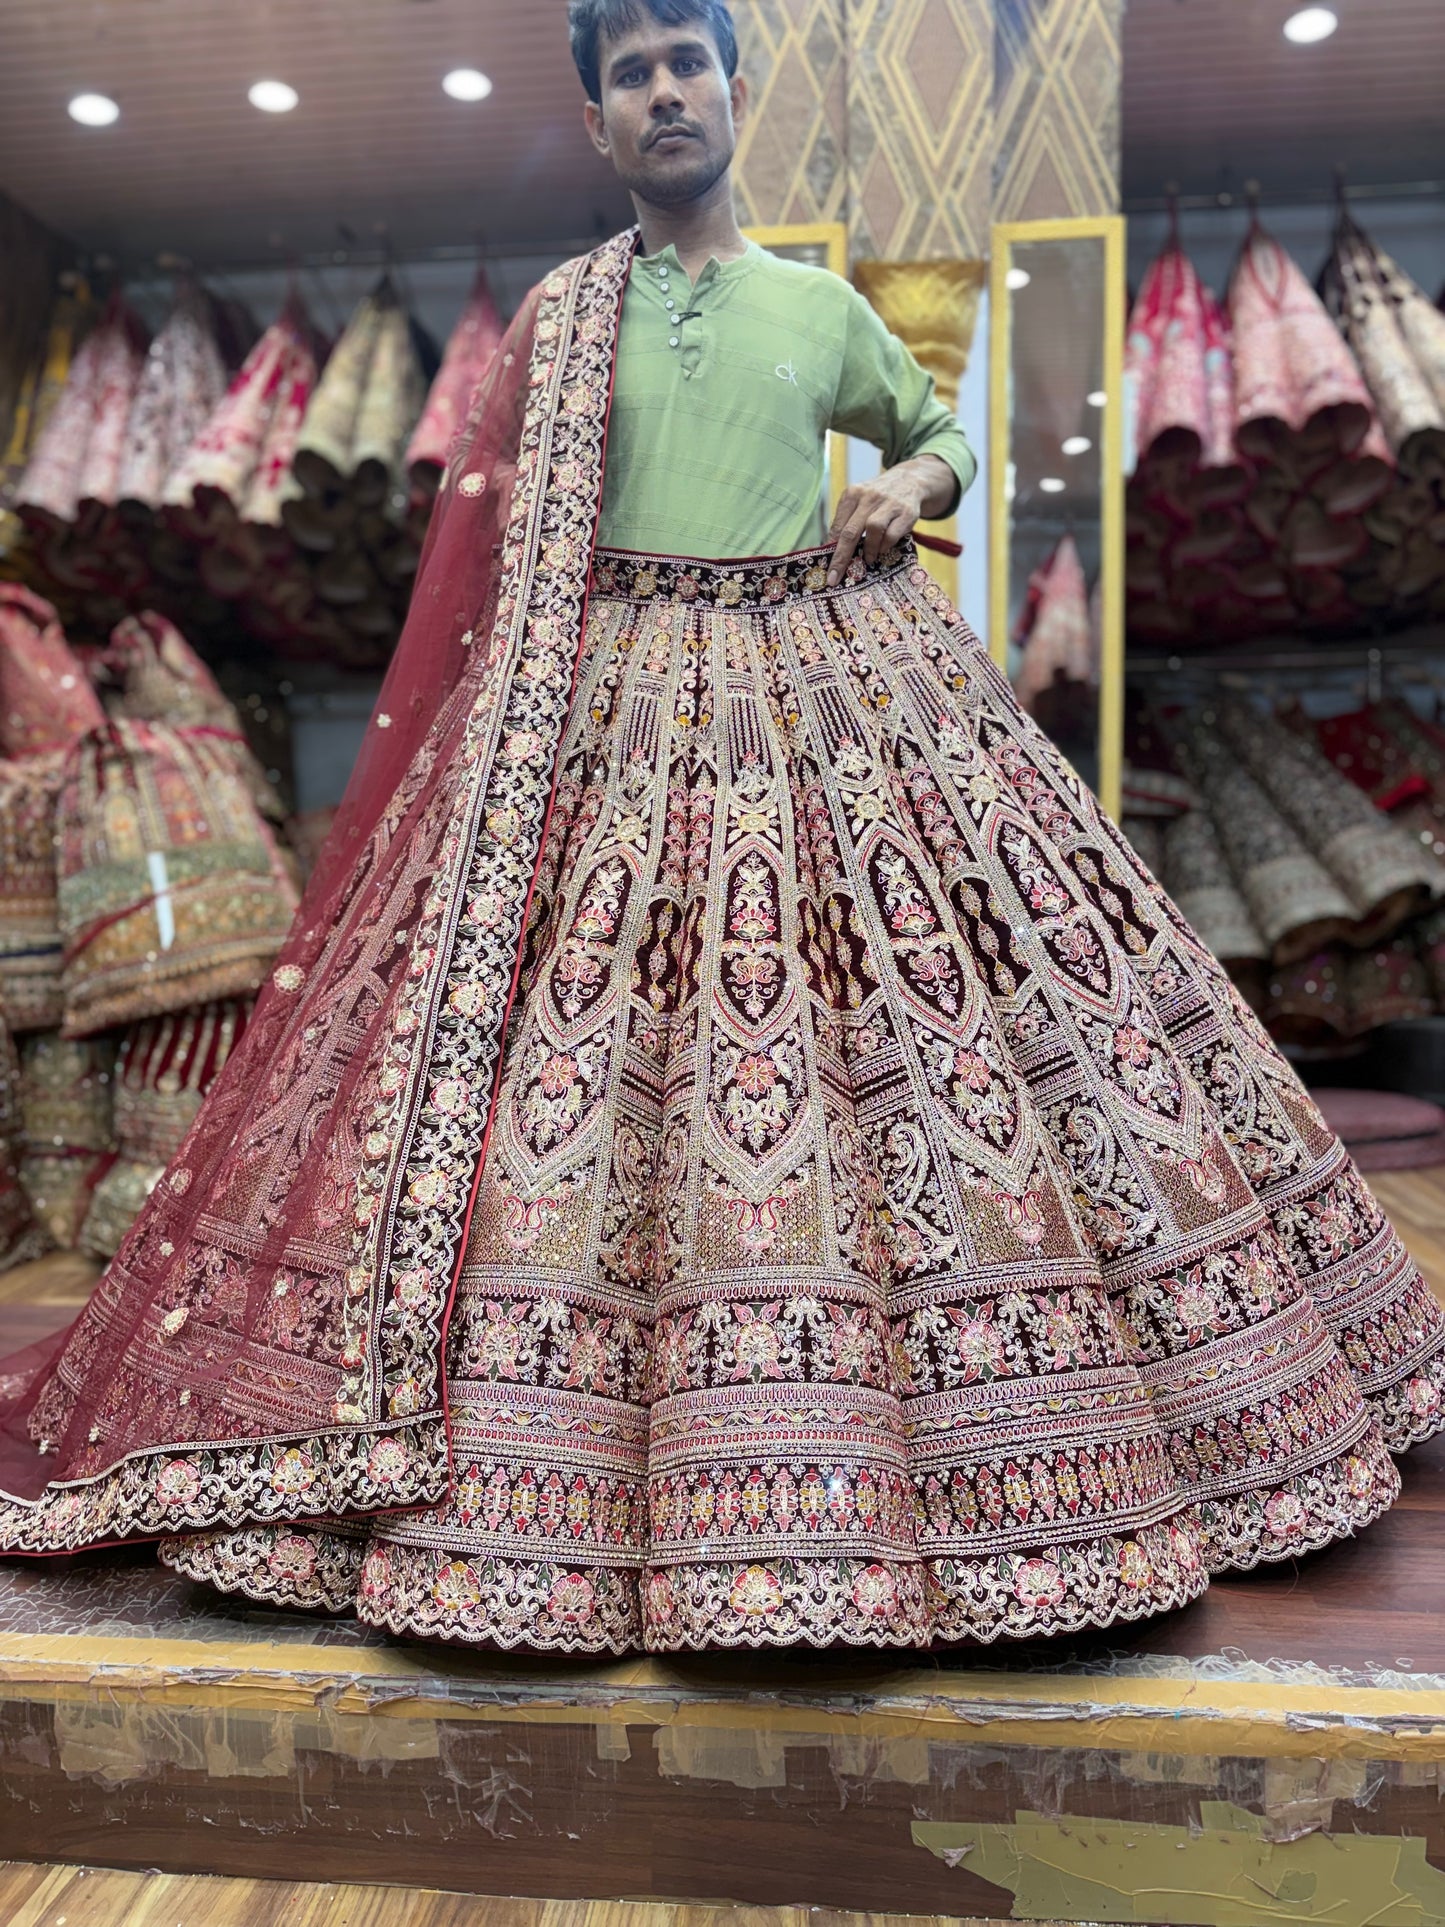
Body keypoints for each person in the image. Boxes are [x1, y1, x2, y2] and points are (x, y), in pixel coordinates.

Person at [0, 0, 1439, 1657]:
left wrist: (915, 486)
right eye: (633, 76)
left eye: (690, 64)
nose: (666, 93)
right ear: (602, 123)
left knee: (920, 1027)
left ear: (735, 97)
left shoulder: (817, 308)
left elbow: (939, 432)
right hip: (593, 717)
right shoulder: (557, 320)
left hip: (822, 695)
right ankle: (555, 1459)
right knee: (582, 1061)